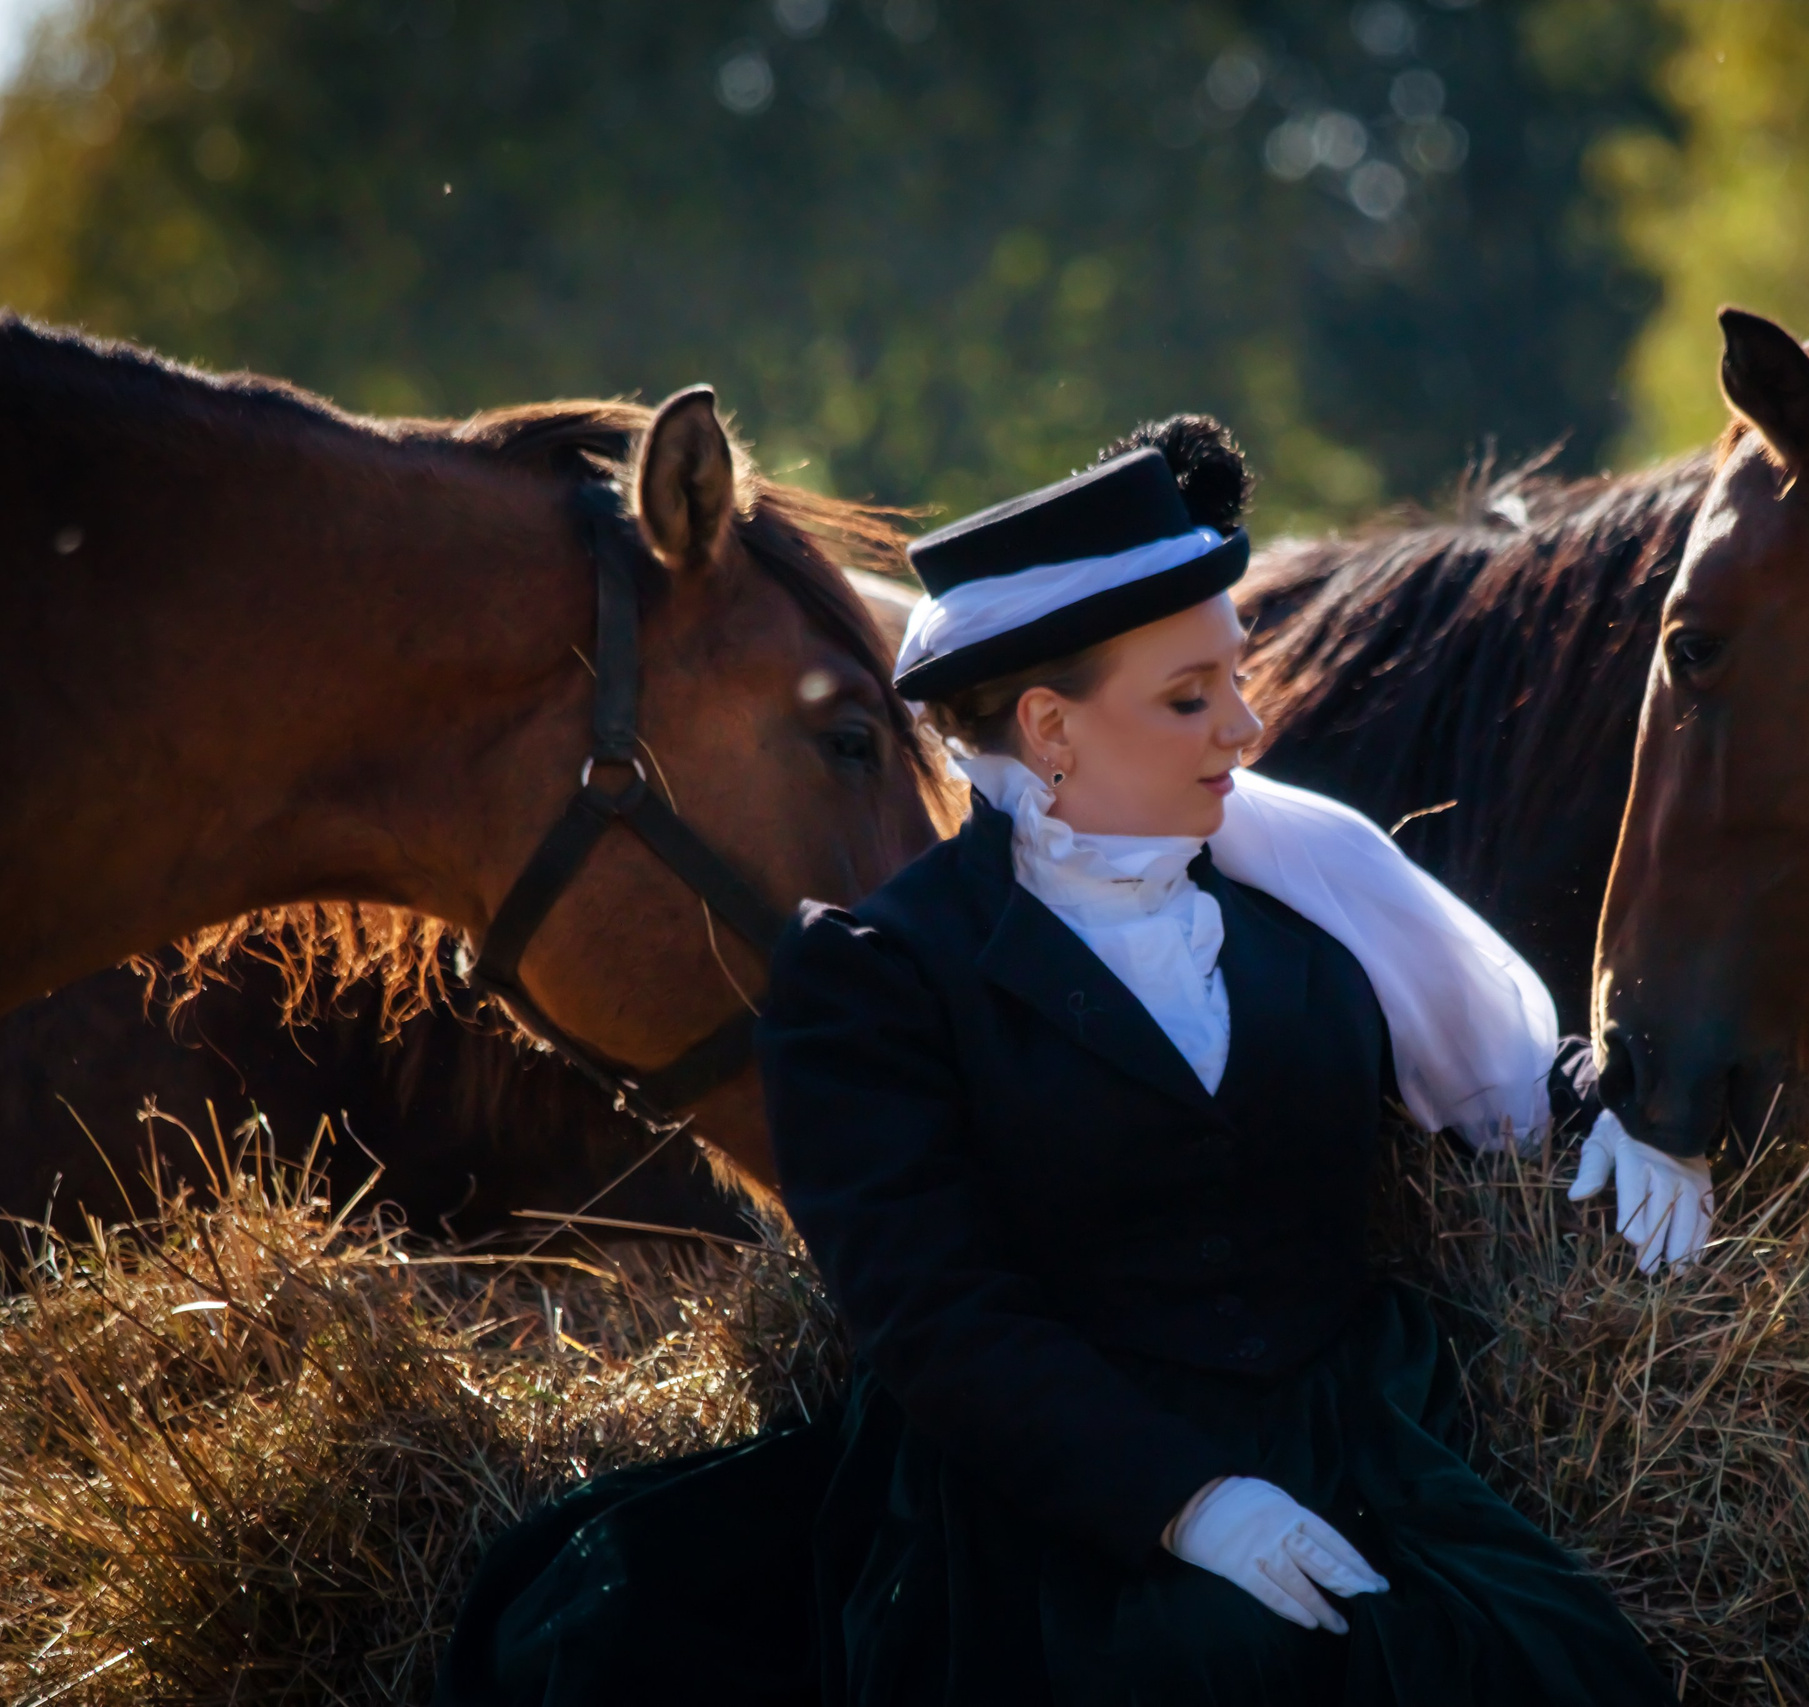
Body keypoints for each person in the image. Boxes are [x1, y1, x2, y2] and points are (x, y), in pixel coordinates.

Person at [434, 418, 1708, 1707]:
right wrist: (1189, 1505)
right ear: (1049, 725)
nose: (1249, 728)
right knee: (1222, 1671)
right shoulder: (877, 977)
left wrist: (1622, 1115)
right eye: (1190, 697)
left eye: (1236, 680)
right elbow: (934, 1317)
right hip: (1049, 1509)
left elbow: (1479, 1068)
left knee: (1562, 1664)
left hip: (1360, 1443)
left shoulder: (1302, 908)